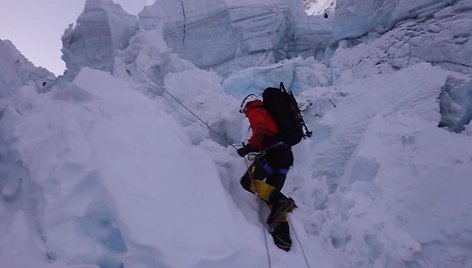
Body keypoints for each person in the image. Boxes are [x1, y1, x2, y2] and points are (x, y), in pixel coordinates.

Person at [237, 94, 296, 251]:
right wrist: (253, 148)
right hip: (285, 156)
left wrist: (249, 147)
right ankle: (283, 240)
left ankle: (282, 201)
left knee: (248, 182)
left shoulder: (254, 109)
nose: (245, 114)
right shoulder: (271, 115)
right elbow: (268, 133)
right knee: (273, 198)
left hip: (274, 154)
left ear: (245, 106)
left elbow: (260, 128)